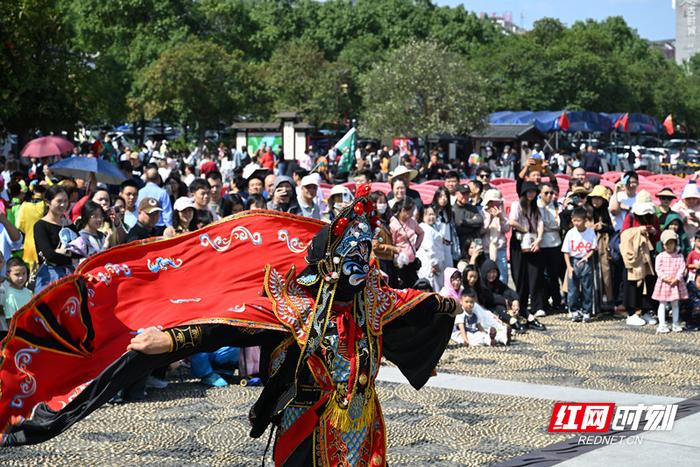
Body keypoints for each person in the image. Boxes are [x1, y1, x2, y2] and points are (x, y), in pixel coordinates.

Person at [1, 184, 462, 467]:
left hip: (363, 426)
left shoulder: (374, 300)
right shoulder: (290, 303)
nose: (360, 267)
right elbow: (224, 324)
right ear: (327, 263)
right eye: (351, 258)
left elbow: (422, 307)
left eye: (365, 257)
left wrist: (441, 318)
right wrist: (171, 340)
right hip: (307, 424)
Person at [508, 181, 546, 330]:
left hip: (532, 241)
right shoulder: (517, 205)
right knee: (520, 275)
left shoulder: (536, 207)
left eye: (533, 191)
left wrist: (539, 238)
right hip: (519, 243)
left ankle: (537, 306)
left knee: (535, 273)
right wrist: (523, 228)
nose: (531, 194)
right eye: (528, 191)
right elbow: (512, 221)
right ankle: (520, 305)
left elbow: (540, 222)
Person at [621, 191, 659, 327]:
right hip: (634, 256)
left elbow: (658, 237)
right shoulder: (630, 217)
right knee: (632, 282)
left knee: (649, 282)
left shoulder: (653, 217)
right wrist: (638, 230)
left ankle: (646, 310)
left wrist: (654, 232)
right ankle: (631, 313)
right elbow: (624, 234)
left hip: (648, 255)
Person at [33, 186, 76, 293]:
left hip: (69, 276)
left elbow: (80, 250)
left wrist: (63, 253)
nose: (63, 205)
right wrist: (70, 257)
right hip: (49, 277)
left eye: (66, 201)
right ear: (47, 202)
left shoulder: (69, 224)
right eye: (59, 201)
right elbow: (49, 255)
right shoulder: (40, 226)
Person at [562, 208, 598, 323]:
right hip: (573, 260)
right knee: (573, 289)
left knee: (587, 288)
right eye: (574, 220)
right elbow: (566, 252)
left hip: (586, 261)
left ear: (585, 220)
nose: (576, 223)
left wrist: (587, 256)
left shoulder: (590, 232)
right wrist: (569, 267)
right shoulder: (570, 233)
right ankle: (574, 310)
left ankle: (586, 311)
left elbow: (593, 248)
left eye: (579, 221)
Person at [652, 230, 687, 333]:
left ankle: (675, 323)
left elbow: (682, 268)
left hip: (676, 283)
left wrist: (677, 278)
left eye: (671, 243)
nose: (669, 245)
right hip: (664, 283)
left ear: (676, 243)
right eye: (666, 243)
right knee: (662, 304)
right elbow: (658, 270)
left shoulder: (679, 256)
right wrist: (666, 278)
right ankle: (662, 324)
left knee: (675, 304)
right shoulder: (660, 256)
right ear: (663, 244)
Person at [390, 197, 424, 288]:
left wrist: (416, 246)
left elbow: (421, 233)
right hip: (400, 264)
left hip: (411, 262)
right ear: (403, 210)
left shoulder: (412, 221)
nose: (412, 214)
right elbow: (392, 244)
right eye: (410, 211)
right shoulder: (394, 224)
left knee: (415, 286)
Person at [481, 189, 509, 284]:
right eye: (492, 201)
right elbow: (481, 231)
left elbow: (506, 229)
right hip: (486, 249)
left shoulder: (502, 213)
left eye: (497, 201)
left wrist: (500, 217)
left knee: (502, 275)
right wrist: (490, 218)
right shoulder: (482, 213)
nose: (495, 204)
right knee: (487, 276)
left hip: (500, 248)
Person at [416, 205, 446, 292]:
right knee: (431, 288)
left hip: (433, 264)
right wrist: (435, 263)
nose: (431, 217)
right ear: (422, 216)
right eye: (428, 215)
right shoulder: (425, 228)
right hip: (430, 265)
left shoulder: (431, 227)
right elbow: (429, 247)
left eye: (433, 214)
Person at [137, 166, 173, 233]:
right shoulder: (163, 193)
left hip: (143, 226)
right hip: (160, 228)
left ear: (146, 179)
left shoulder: (139, 192)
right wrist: (169, 228)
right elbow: (167, 213)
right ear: (159, 178)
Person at [432, 187, 460, 267]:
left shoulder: (449, 212)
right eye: (441, 196)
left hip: (448, 246)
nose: (444, 199)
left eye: (446, 196)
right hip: (437, 246)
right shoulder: (432, 212)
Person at [3, 257, 31, 328]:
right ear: (8, 274)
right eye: (17, 274)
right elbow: (10, 321)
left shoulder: (27, 291)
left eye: (24, 273)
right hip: (19, 332)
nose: (21, 277)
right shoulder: (9, 295)